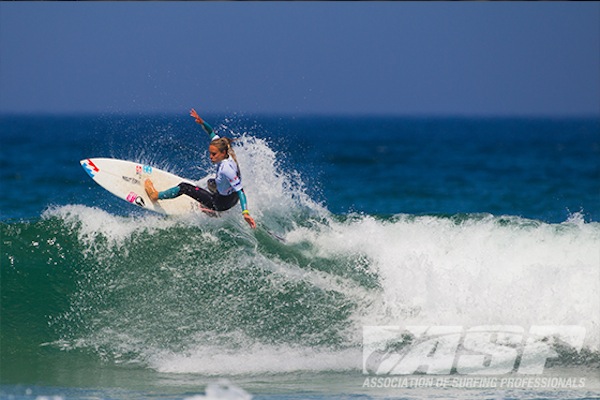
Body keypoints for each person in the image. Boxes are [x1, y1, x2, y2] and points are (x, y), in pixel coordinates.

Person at [144, 109, 257, 229]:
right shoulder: (224, 149)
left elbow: (241, 191)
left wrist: (245, 213)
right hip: (232, 199)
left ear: (223, 153)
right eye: (210, 153)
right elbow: (211, 132)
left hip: (221, 203)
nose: (211, 157)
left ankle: (156, 195)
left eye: (214, 154)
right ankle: (215, 212)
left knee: (184, 187)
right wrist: (202, 122)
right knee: (211, 183)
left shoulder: (226, 169)